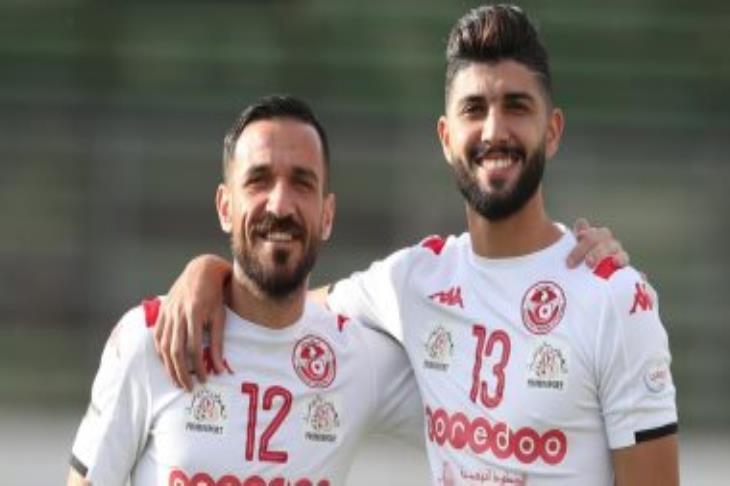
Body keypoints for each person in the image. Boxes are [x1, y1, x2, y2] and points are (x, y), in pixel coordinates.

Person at [156, 5, 678, 485]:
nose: (494, 130)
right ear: (446, 137)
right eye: (474, 109)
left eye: (516, 107)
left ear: (553, 131)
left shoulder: (614, 299)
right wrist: (208, 273)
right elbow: (283, 308)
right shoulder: (413, 280)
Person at [67, 95, 424, 486]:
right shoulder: (152, 337)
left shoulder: (360, 359)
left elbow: (469, 417)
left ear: (327, 215)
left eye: (302, 183)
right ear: (225, 207)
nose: (280, 205)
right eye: (259, 181)